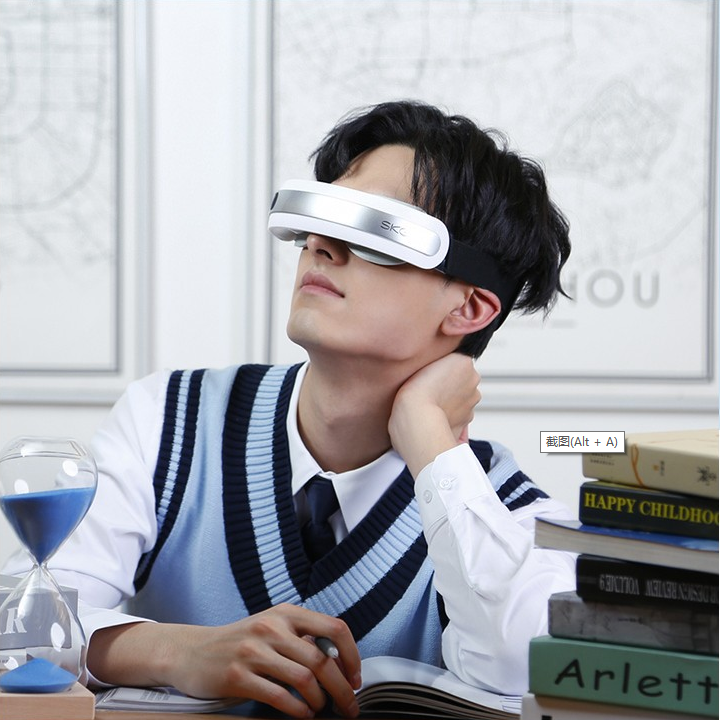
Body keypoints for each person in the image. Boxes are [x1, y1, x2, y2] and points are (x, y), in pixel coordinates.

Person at [3, 100, 575, 718]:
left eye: (377, 232)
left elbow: (527, 669)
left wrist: (431, 439)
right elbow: (19, 626)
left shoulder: (503, 509)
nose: (321, 245)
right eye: (324, 217)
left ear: (468, 309)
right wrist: (179, 652)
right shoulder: (167, 421)